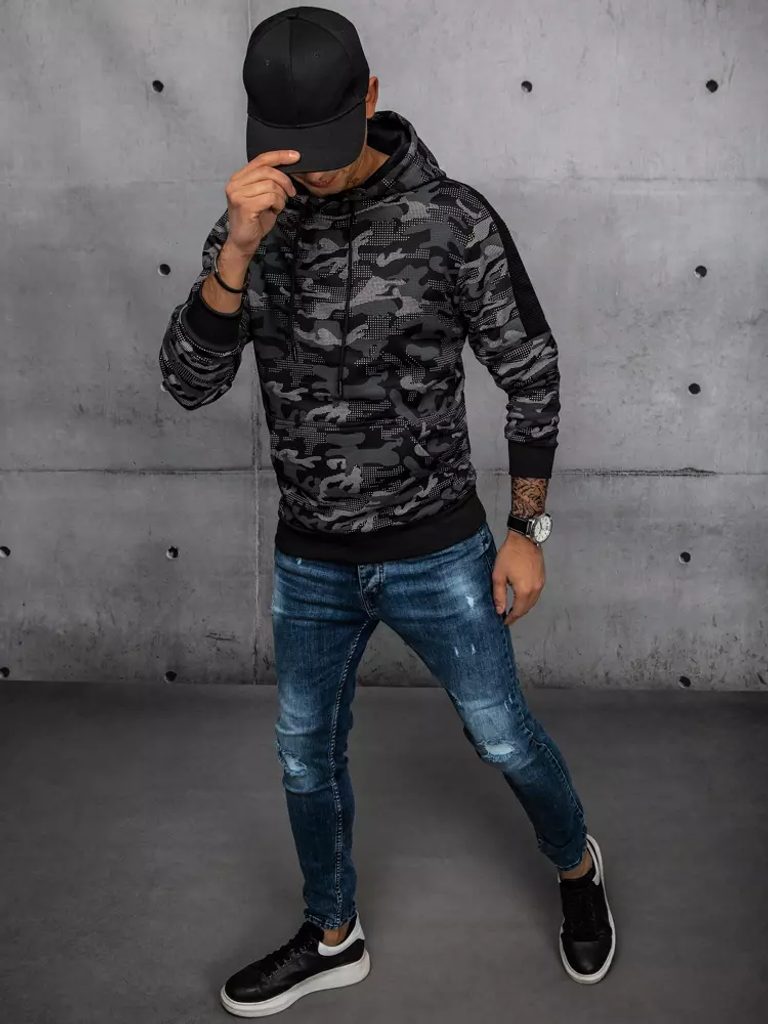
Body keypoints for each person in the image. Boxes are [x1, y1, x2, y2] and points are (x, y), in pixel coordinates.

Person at [159, 5, 616, 1016]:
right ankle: (333, 933)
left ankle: (577, 864)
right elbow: (187, 382)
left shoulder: (453, 219)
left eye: (325, 144)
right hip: (310, 560)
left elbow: (531, 372)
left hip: (438, 549)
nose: (312, 172)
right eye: (290, 147)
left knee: (502, 736)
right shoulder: (253, 225)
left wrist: (527, 531)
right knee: (303, 755)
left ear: (369, 97)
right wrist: (234, 256)